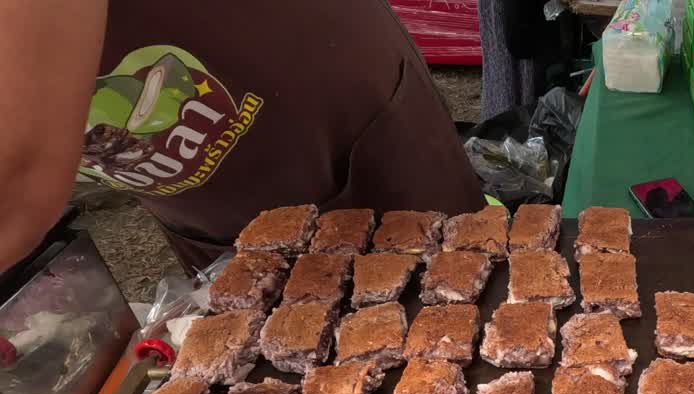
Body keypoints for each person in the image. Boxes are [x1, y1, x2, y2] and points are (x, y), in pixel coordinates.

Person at [0, 0, 484, 274]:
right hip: (181, 170)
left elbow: (17, 182)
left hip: (297, 97)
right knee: (255, 349)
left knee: (441, 287)